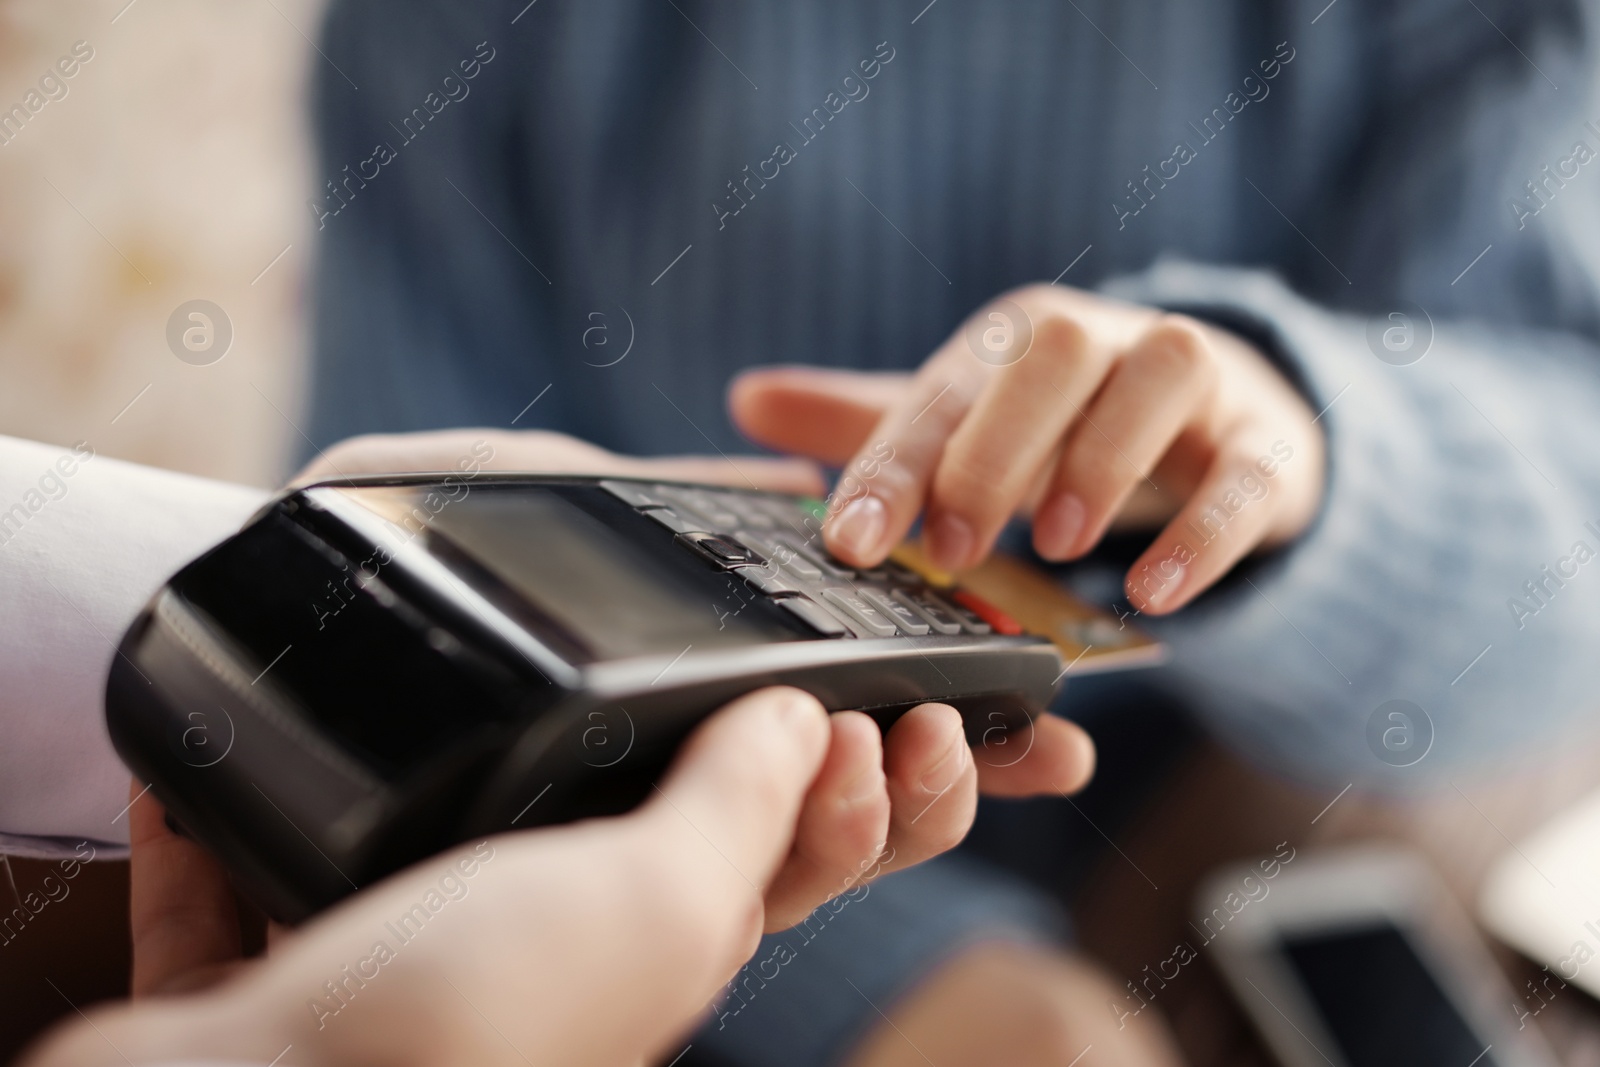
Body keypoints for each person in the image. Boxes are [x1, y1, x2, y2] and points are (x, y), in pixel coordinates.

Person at [299, 1, 1600, 1062]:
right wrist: (895, 983)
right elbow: (399, 647)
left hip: (1288, 833)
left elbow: (1568, 544)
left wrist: (1313, 454)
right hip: (664, 910)